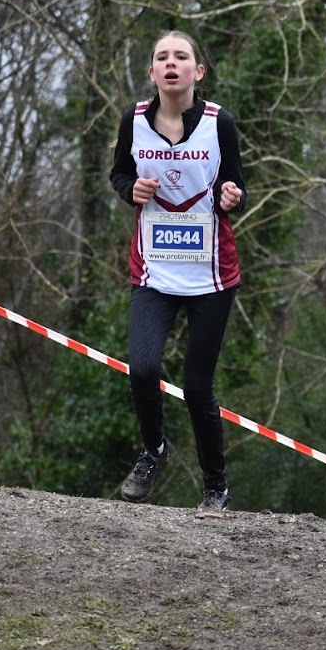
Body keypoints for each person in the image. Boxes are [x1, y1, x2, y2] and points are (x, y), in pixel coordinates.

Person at [109, 29, 247, 519]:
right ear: (152, 72)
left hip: (211, 275)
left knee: (196, 387)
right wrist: (130, 190)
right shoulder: (134, 121)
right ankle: (154, 452)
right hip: (154, 270)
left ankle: (215, 488)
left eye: (181, 57)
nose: (171, 64)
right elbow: (119, 174)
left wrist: (231, 196)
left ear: (197, 71)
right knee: (143, 369)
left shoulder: (219, 123)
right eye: (162, 57)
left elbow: (235, 186)